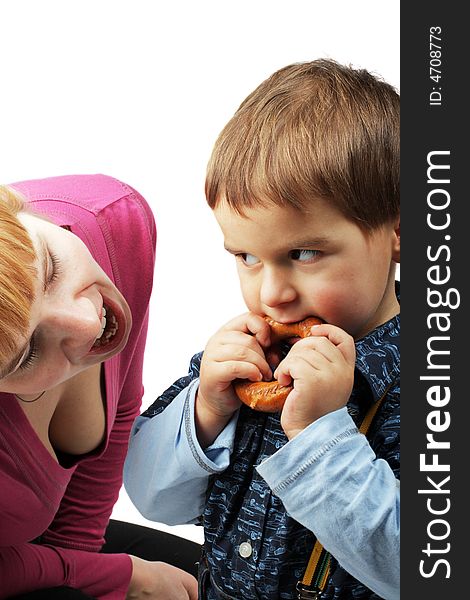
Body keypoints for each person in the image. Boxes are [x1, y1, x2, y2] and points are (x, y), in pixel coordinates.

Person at [124, 59, 400, 600]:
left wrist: (322, 433)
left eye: (304, 253)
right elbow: (155, 499)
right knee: (81, 550)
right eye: (247, 255)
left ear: (398, 232)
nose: (271, 293)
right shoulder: (249, 358)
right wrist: (205, 413)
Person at [0, 175, 199, 600]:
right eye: (28, 352)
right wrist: (121, 579)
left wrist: (84, 561)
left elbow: (122, 402)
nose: (89, 323)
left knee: (226, 577)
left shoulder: (111, 218)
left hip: (36, 553)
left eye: (50, 268)